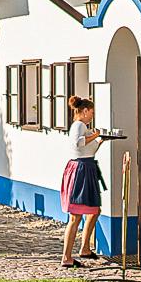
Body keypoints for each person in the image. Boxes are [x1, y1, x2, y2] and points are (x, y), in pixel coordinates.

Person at [60, 96, 104, 266]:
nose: (92, 116)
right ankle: (66, 257)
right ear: (84, 111)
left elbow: (88, 149)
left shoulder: (82, 127)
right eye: (91, 112)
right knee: (76, 215)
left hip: (87, 167)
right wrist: (95, 135)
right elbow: (79, 144)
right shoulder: (79, 125)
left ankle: (84, 248)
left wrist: (100, 140)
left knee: (94, 210)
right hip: (81, 171)